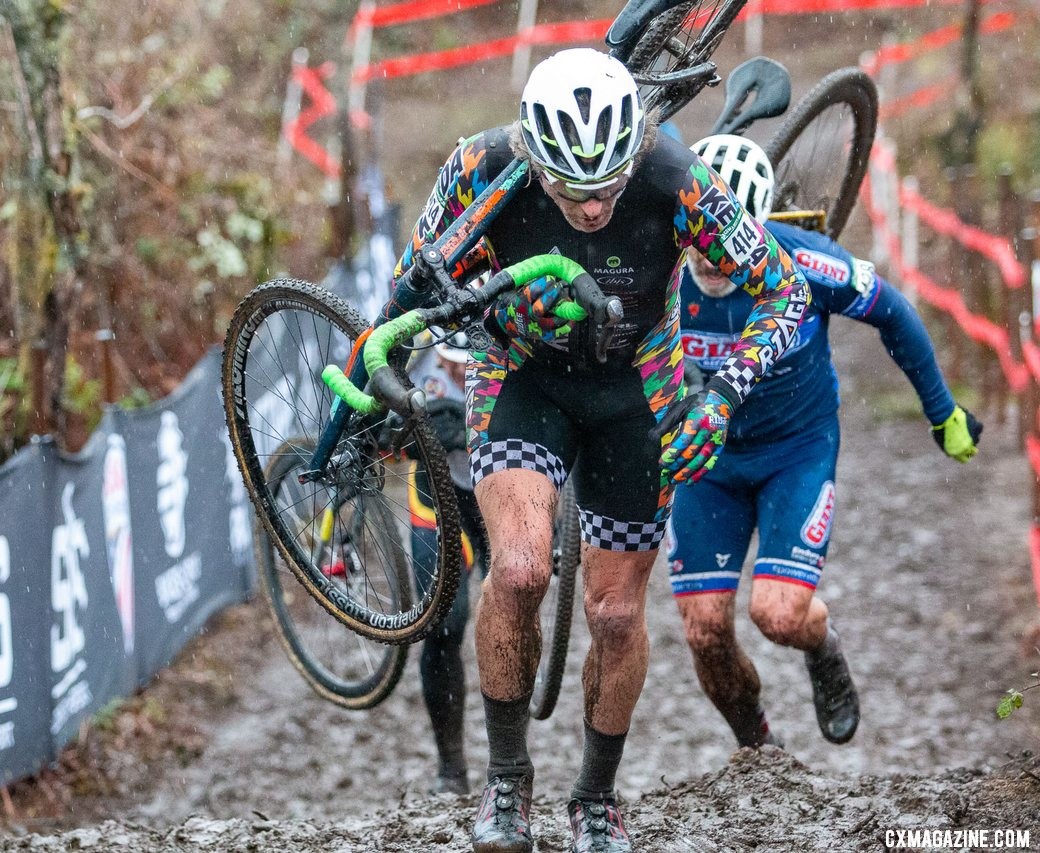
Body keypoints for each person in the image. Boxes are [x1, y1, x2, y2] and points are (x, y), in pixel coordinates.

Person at [392, 48, 809, 853]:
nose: (592, 207)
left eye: (608, 187)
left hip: (638, 392)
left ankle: (595, 798)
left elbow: (782, 287)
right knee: (518, 568)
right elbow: (414, 282)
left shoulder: (672, 173)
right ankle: (507, 785)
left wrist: (721, 394)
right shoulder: (481, 165)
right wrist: (450, 315)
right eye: (571, 190)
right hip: (522, 378)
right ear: (535, 160)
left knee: (615, 613)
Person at [667, 134, 982, 751]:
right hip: (708, 462)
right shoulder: (660, 273)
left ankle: (823, 646)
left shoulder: (805, 262)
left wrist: (942, 413)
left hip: (796, 450)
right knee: (705, 632)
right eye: (695, 239)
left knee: (778, 615)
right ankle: (758, 752)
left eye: (723, 243)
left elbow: (893, 312)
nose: (708, 259)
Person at [405, 330, 487, 796]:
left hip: (501, 490)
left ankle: (508, 767)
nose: (457, 371)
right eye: (447, 360)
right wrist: (413, 435)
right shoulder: (415, 358)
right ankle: (451, 768)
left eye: (466, 361)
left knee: (512, 607)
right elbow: (378, 431)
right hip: (438, 496)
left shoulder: (509, 342)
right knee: (444, 625)